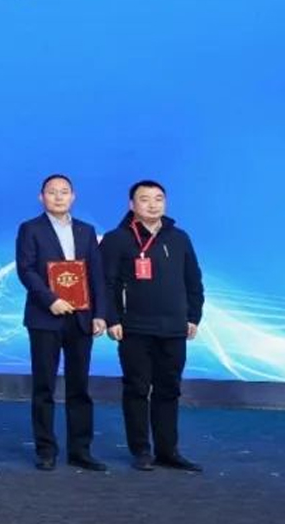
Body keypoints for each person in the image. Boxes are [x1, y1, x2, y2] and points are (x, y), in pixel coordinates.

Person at [101, 180, 204, 472]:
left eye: (159, 199)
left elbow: (193, 280)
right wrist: (112, 319)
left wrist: (193, 316)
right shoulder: (117, 239)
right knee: (137, 389)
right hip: (134, 328)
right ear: (132, 205)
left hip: (174, 328)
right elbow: (107, 284)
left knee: (169, 389)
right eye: (144, 199)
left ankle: (168, 451)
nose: (153, 204)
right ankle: (141, 451)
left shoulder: (179, 238)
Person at [15, 173, 108, 472]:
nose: (58, 197)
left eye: (64, 191)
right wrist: (50, 299)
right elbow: (26, 270)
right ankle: (46, 450)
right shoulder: (30, 229)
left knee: (79, 387)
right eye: (52, 192)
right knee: (44, 386)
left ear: (73, 196)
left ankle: (81, 450)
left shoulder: (86, 230)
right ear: (41, 197)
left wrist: (100, 314)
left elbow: (96, 275)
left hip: (81, 318)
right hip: (45, 317)